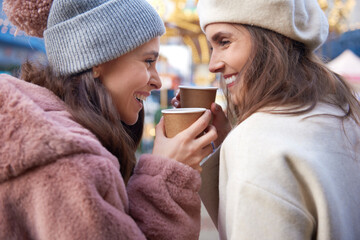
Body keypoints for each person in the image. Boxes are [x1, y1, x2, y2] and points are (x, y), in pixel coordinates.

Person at [0, 0, 217, 239]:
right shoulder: (72, 164)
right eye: (148, 61)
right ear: (95, 62)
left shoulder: (41, 132)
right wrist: (165, 177)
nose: (158, 82)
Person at [172, 0, 360, 239]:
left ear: (274, 38)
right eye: (211, 47)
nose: (213, 65)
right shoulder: (343, 113)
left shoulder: (255, 141)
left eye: (224, 42)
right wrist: (225, 146)